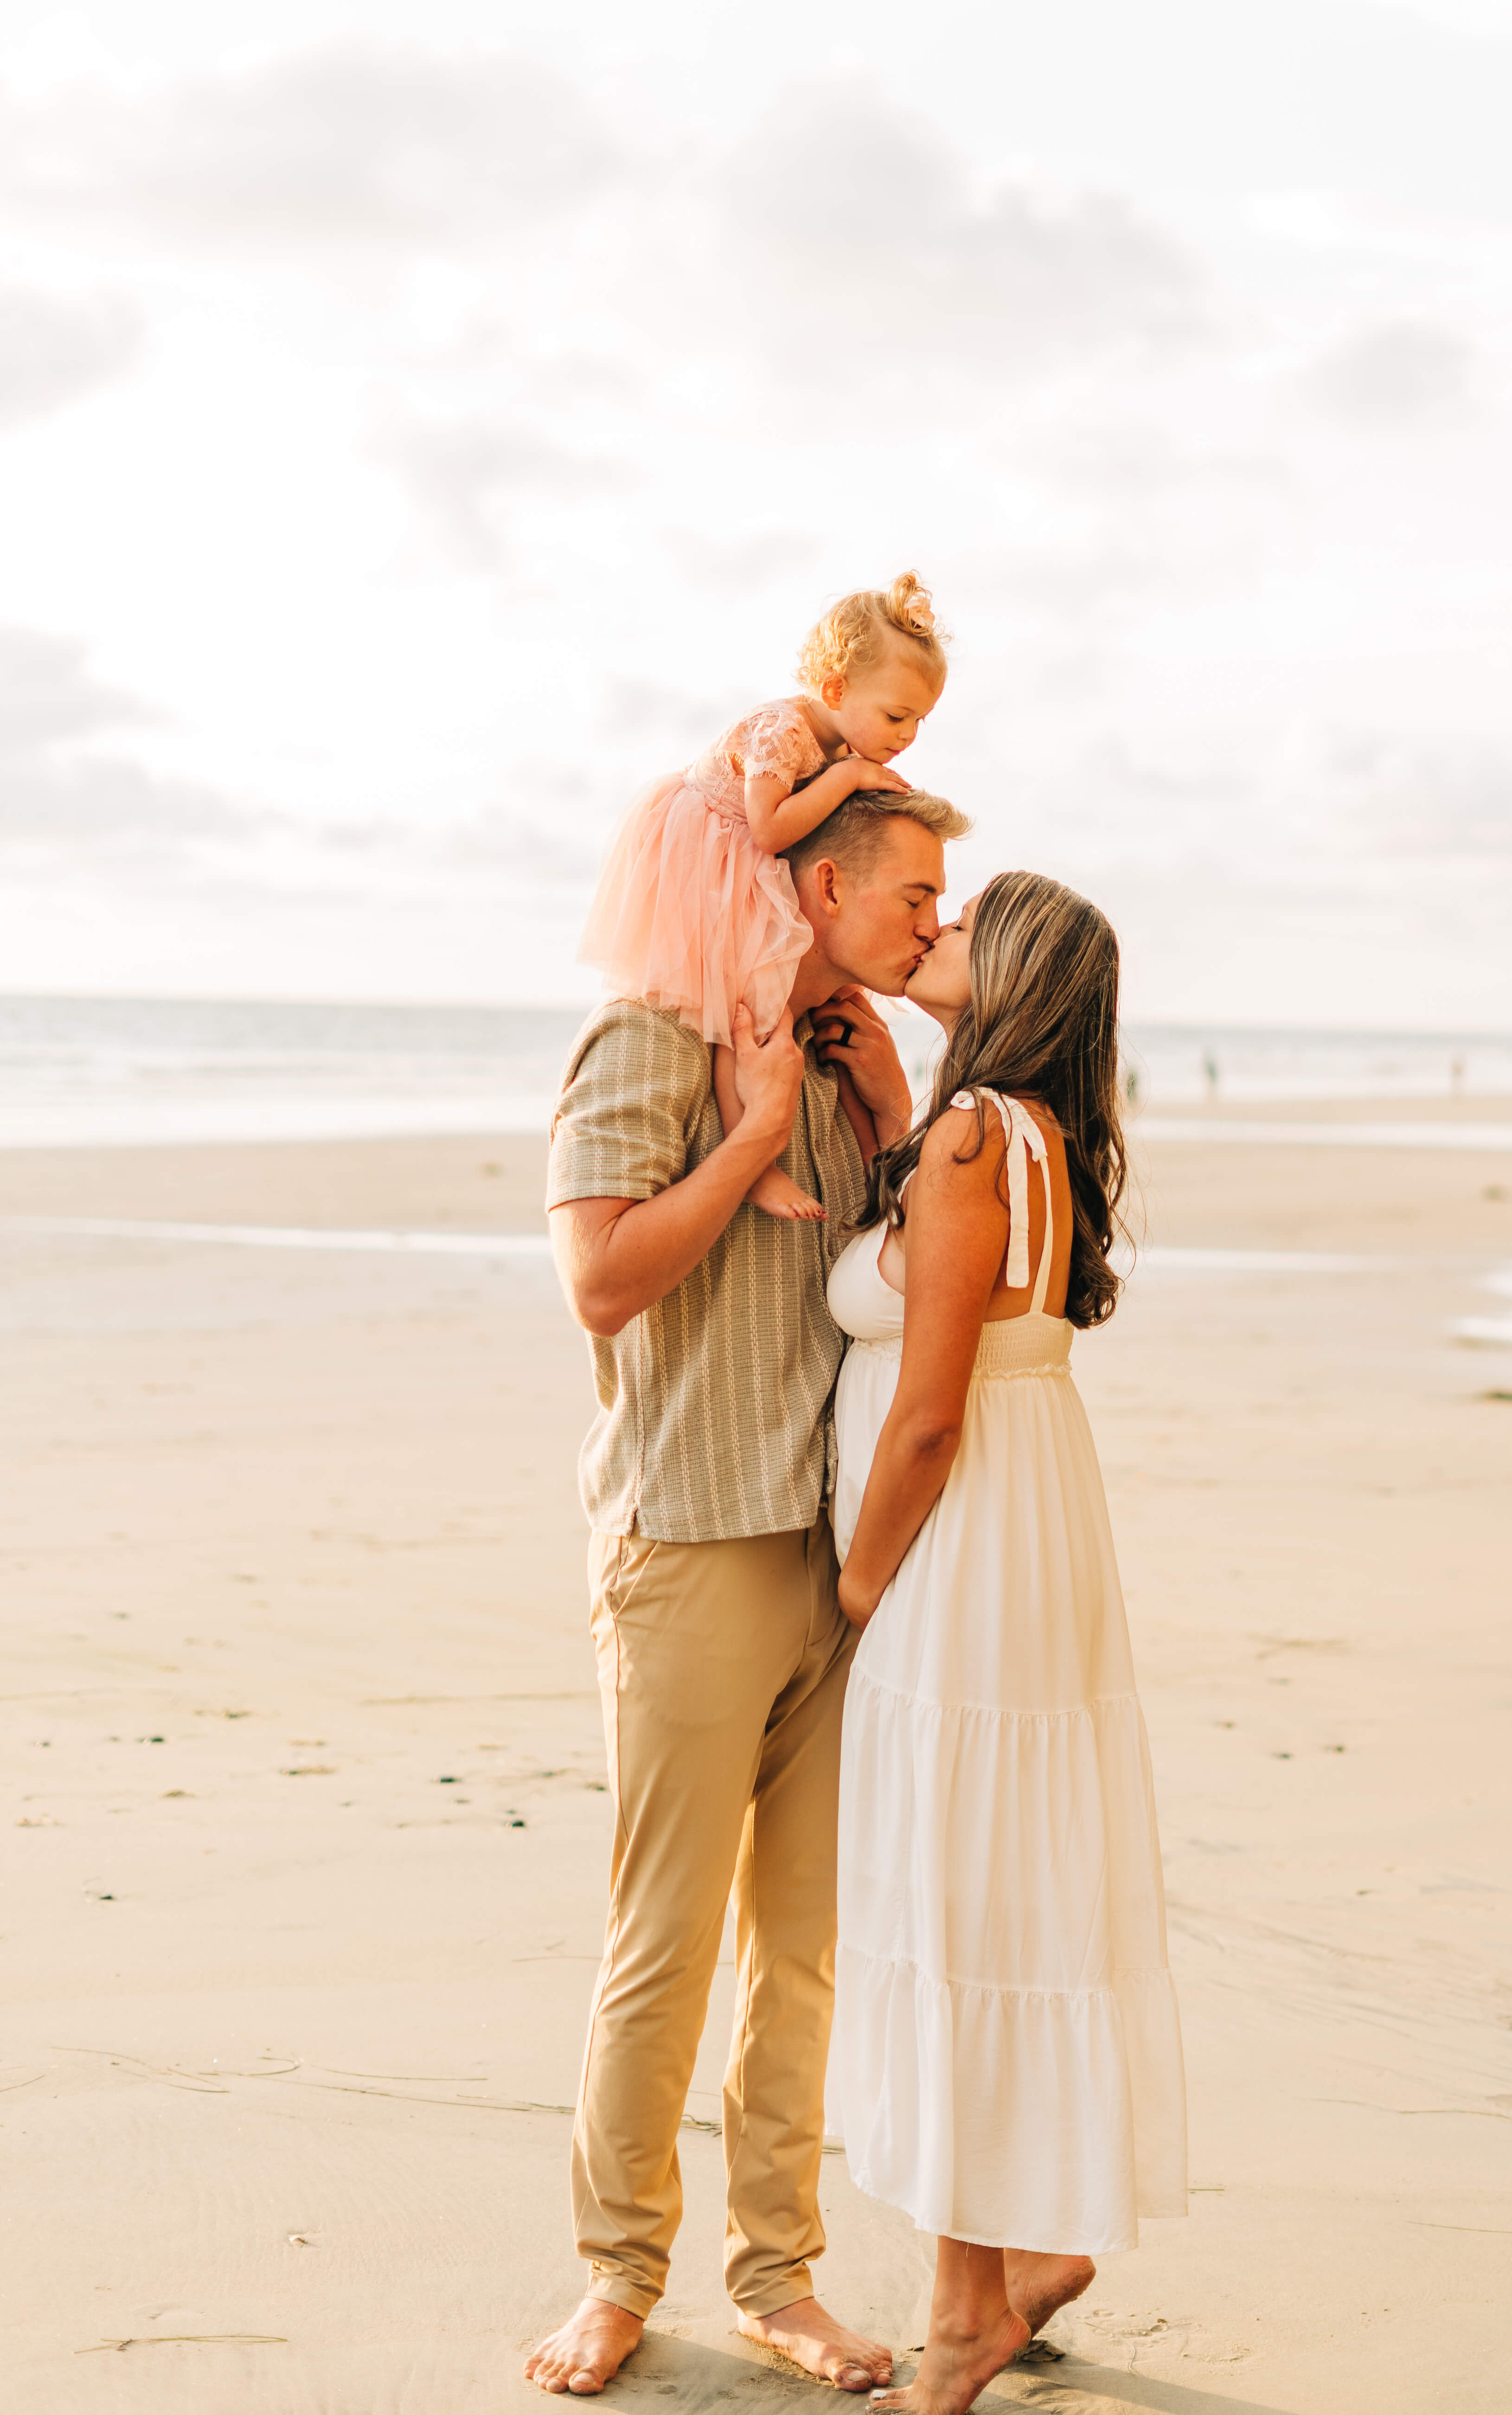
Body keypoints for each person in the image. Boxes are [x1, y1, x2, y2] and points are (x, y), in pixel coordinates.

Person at [524, 783, 972, 2401]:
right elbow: (600, 1278)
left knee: (805, 1950)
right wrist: (752, 1137)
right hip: (690, 1547)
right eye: (914, 890)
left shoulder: (854, 1072)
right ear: (821, 882)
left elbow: (901, 1276)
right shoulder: (647, 1041)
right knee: (665, 1940)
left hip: (836, 1564)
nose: (933, 917)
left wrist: (885, 1089)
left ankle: (779, 2277)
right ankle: (616, 2275)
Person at [826, 873, 1188, 2415]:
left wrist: (856, 1589)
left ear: (1012, 970)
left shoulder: (977, 1142)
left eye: (962, 922)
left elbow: (925, 1416)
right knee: (993, 1901)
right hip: (1033, 1529)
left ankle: (965, 2305)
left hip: (962, 1547)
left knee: (955, 1907)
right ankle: (999, 2270)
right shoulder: (1022, 1134)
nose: (936, 934)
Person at [576, 576, 949, 1223]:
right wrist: (852, 776)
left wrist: (892, 1111)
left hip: (750, 859)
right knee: (737, 1010)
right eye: (896, 716)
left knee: (765, 998)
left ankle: (808, 1151)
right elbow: (771, 829)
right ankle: (753, 1159)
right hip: (713, 856)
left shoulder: (831, 741)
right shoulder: (783, 732)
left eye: (921, 719)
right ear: (835, 689)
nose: (909, 734)